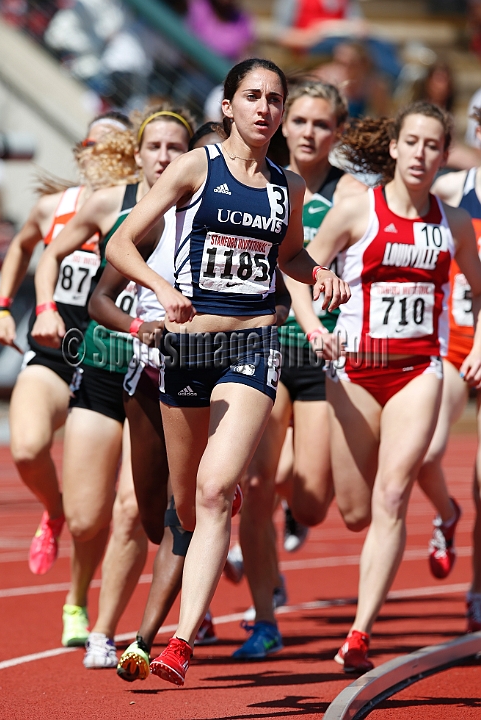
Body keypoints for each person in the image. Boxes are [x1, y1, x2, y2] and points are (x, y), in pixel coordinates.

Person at [106, 57, 349, 686]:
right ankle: (212, 511)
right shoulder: (196, 168)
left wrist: (316, 273)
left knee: (215, 492)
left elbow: (290, 255)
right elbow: (121, 244)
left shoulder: (287, 188)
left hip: (250, 347)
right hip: (186, 350)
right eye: (254, 97)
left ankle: (181, 642)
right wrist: (161, 288)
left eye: (275, 98)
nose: (266, 109)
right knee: (185, 505)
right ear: (228, 105)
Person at [306, 101, 481, 673]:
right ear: (395, 147)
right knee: (354, 511)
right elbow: (296, 270)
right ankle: (449, 512)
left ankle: (360, 633)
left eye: (434, 145)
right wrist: (317, 315)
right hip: (355, 369)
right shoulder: (357, 210)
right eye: (413, 142)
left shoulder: (451, 223)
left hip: (417, 371)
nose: (422, 154)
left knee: (392, 495)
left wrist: (478, 344)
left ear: (444, 154)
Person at [30, 105, 194, 655]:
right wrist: (42, 306)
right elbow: (49, 254)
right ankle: (77, 592)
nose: (164, 158)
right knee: (87, 516)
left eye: (176, 148)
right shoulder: (114, 205)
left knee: (134, 510)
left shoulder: (201, 210)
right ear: (139, 153)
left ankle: (107, 630)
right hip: (102, 363)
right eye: (155, 148)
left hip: (174, 373)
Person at [233, 80, 367, 659]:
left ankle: (292, 504)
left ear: (337, 134)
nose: (309, 132)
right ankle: (265, 617)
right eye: (301, 121)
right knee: (257, 485)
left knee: (312, 503)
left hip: (320, 354)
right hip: (264, 344)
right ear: (284, 125)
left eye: (323, 124)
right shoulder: (260, 180)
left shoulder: (351, 193)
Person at [0, 112, 134, 576]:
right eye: (95, 144)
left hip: (111, 359)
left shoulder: (141, 210)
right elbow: (22, 246)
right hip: (54, 350)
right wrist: (2, 306)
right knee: (28, 449)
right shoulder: (55, 206)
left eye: (116, 146)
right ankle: (51, 510)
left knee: (94, 508)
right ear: (82, 151)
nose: (103, 154)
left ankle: (77, 602)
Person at [421, 104, 481, 628]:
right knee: (426, 450)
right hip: (458, 341)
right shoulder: (454, 188)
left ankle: (478, 591)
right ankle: (447, 513)